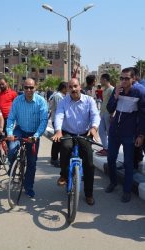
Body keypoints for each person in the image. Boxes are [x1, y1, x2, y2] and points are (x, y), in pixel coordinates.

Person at [52, 78, 100, 206]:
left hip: (85, 133)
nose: (73, 89)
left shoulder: (89, 100)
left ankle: (89, 194)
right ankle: (63, 174)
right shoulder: (63, 101)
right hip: (68, 132)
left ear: (80, 87)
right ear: (67, 89)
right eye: (70, 87)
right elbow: (59, 115)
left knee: (89, 163)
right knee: (65, 147)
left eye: (75, 86)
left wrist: (94, 127)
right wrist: (58, 130)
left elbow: (95, 115)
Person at [105, 67, 145, 203]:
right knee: (110, 159)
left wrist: (141, 135)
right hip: (114, 132)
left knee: (128, 163)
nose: (123, 81)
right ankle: (113, 182)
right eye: (121, 78)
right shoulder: (118, 90)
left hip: (129, 133)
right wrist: (115, 96)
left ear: (133, 79)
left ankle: (127, 190)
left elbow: (143, 115)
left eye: (126, 78)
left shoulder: (140, 92)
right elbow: (110, 109)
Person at [6, 78, 48, 198]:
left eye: (31, 87)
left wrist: (35, 136)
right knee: (12, 149)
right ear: (22, 88)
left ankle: (28, 187)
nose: (29, 90)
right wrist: (9, 133)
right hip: (20, 129)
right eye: (26, 87)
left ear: (35, 88)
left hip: (34, 133)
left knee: (32, 162)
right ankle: (12, 166)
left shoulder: (41, 101)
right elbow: (11, 119)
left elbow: (44, 121)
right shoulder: (17, 101)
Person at [49, 82, 67, 167]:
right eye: (67, 87)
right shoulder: (58, 96)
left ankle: (55, 158)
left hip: (57, 120)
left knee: (59, 140)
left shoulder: (58, 95)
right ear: (63, 88)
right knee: (58, 140)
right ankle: (54, 158)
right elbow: (61, 109)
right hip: (57, 120)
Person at [96, 74, 114, 157]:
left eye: (101, 79)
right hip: (103, 112)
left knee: (109, 132)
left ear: (105, 79)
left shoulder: (111, 89)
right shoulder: (104, 89)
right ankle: (105, 148)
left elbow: (114, 102)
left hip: (108, 113)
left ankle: (110, 149)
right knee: (101, 131)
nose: (100, 80)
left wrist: (113, 113)